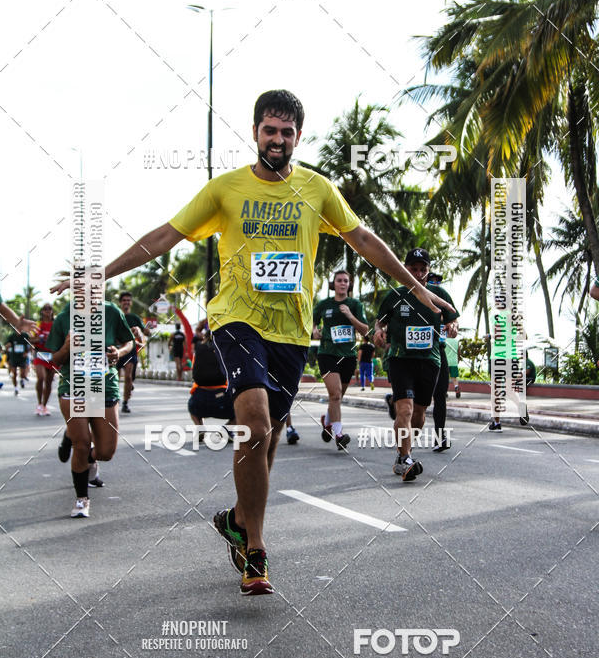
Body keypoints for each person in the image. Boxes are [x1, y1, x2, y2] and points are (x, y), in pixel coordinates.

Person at [53, 89, 453, 592]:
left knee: (265, 438)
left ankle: (238, 519)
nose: (278, 139)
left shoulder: (318, 189)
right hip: (237, 321)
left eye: (287, 132)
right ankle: (257, 552)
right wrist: (100, 272)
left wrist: (416, 285)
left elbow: (364, 239)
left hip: (291, 331)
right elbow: (164, 237)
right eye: (270, 130)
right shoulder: (226, 191)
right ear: (256, 132)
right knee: (256, 420)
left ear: (298, 137)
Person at [375, 248, 459, 480]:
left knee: (420, 413)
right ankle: (404, 459)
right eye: (413, 269)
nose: (419, 273)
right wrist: (379, 332)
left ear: (428, 270)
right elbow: (379, 323)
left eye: (423, 269)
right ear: (405, 269)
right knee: (405, 409)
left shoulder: (438, 293)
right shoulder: (395, 295)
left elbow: (454, 321)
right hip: (401, 359)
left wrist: (452, 327)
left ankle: (405, 453)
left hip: (430, 360)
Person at [46, 301, 134, 518]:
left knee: (106, 452)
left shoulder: (111, 311)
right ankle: (81, 499)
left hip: (104, 386)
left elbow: (130, 341)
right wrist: (66, 347)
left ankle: (71, 436)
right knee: (82, 444)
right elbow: (53, 360)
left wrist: (118, 352)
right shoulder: (63, 317)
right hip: (73, 387)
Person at [313, 271, 368, 450]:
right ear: (333, 284)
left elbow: (366, 330)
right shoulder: (324, 305)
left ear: (349, 284)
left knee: (338, 396)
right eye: (339, 280)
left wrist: (350, 316)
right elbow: (311, 322)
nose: (342, 283)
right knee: (335, 394)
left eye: (346, 281)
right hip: (327, 353)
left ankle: (327, 420)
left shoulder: (355, 304)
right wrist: (314, 330)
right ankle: (339, 434)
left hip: (348, 355)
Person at [426, 273, 459, 452]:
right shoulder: (414, 295)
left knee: (440, 396)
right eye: (432, 280)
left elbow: (454, 321)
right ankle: (393, 401)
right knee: (413, 398)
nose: (436, 283)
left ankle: (440, 437)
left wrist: (453, 326)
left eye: (438, 281)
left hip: (439, 351)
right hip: (416, 355)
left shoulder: (443, 298)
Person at [117, 291, 151, 413]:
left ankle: (125, 403)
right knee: (113, 378)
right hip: (117, 349)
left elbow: (147, 332)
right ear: (120, 302)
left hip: (130, 351)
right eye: (124, 300)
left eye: (128, 300)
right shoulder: (116, 316)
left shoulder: (134, 318)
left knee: (128, 377)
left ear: (130, 303)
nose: (126, 302)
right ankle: (114, 399)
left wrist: (141, 330)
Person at [31, 303, 57, 415]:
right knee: (41, 377)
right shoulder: (38, 324)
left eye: (49, 308)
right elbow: (31, 340)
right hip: (40, 354)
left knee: (49, 381)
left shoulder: (56, 324)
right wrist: (39, 339)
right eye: (45, 308)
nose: (47, 310)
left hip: (52, 355)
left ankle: (44, 406)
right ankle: (39, 403)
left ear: (52, 311)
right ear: (41, 311)